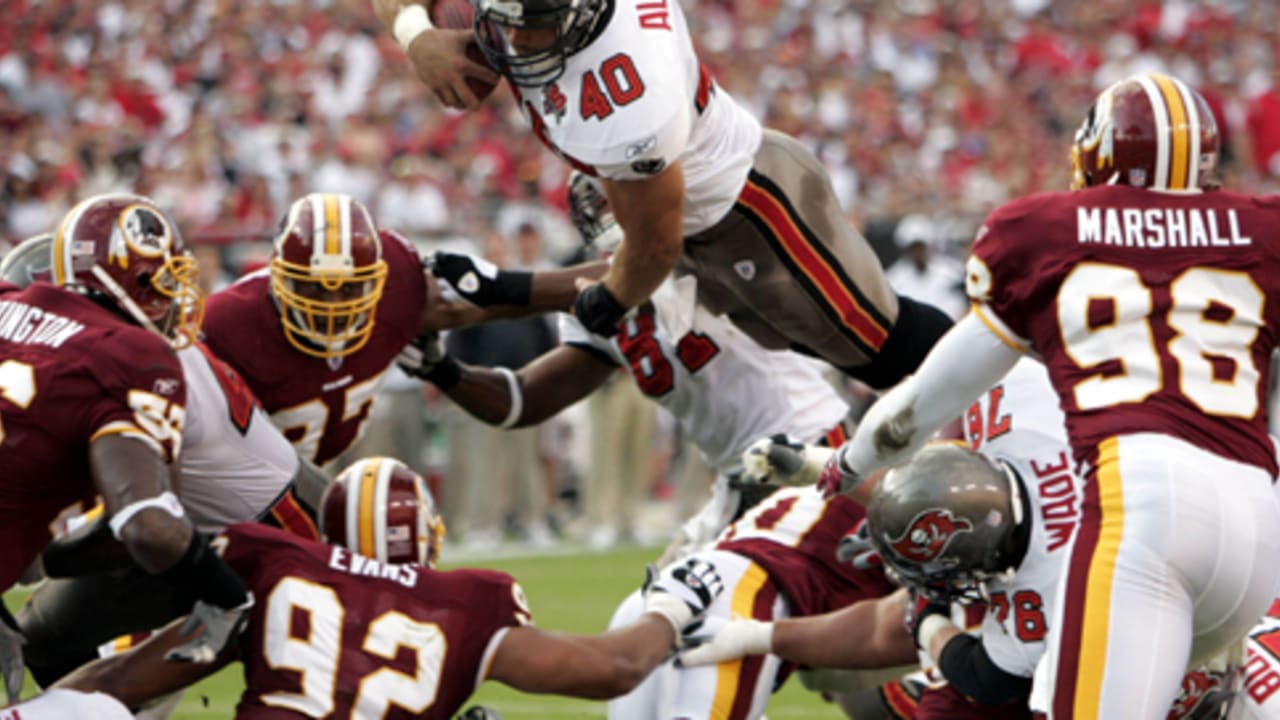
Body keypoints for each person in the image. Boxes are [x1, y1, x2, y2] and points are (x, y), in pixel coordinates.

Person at [810, 72, 1280, 718]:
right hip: (1260, 524)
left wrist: (852, 462)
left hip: (1147, 508)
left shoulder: (1044, 231)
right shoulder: (1261, 228)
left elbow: (925, 400)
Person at [377, 0, 953, 389]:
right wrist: (416, 34)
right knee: (788, 339)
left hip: (749, 209)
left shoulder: (627, 90)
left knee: (876, 349)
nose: (521, 40)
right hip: (687, 214)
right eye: (511, 19)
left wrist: (609, 301)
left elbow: (654, 249)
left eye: (540, 27)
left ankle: (1012, 380)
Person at [49, 456, 727, 718]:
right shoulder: (469, 601)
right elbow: (616, 668)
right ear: (426, 538)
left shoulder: (272, 566)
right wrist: (675, 601)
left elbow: (125, 683)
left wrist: (53, 704)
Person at [401, 172, 856, 561]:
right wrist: (442, 369)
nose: (606, 212)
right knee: (673, 622)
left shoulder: (697, 245)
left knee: (811, 629)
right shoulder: (591, 297)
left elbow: (642, 268)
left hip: (809, 447)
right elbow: (523, 399)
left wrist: (493, 289)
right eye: (599, 203)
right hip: (742, 474)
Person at [0, 233, 324, 689]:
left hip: (257, 525)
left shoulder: (126, 361)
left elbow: (144, 525)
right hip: (198, 521)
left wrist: (43, 553)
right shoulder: (118, 356)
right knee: (49, 641)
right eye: (163, 283)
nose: (175, 300)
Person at [201, 191, 587, 469]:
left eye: (349, 288)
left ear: (377, 281)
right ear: (277, 278)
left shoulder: (401, 287)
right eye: (312, 286)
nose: (331, 305)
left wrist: (628, 285)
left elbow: (512, 303)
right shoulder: (223, 325)